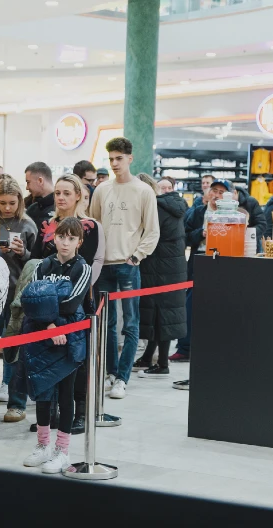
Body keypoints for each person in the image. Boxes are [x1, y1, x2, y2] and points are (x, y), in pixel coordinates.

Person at [88, 137, 159, 401]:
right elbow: (93, 224)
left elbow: (152, 232)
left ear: (130, 158)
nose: (115, 163)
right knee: (107, 323)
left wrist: (135, 257)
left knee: (131, 324)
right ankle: (110, 371)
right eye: (111, 159)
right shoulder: (102, 190)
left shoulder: (144, 191)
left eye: (119, 158)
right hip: (103, 265)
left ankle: (122, 378)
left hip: (128, 265)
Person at [34, 174, 104, 433]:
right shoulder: (46, 224)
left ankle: (79, 412)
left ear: (78, 195)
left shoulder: (90, 226)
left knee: (78, 359)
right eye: (58, 193)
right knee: (48, 354)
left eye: (66, 193)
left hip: (77, 300)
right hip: (46, 303)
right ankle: (48, 413)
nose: (61, 197)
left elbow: (93, 262)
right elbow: (37, 259)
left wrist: (79, 290)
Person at [21, 216, 91, 475]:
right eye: (61, 236)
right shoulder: (43, 265)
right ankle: (43, 445)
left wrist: (53, 320)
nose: (65, 242)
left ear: (79, 242)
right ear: (54, 237)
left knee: (66, 392)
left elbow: (73, 304)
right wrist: (50, 326)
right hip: (43, 334)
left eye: (71, 238)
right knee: (42, 391)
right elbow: (31, 300)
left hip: (70, 338)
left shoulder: (82, 268)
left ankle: (62, 450)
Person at [0, 175, 38, 423]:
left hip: (18, 295)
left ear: (19, 201)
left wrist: (23, 253)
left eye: (11, 203)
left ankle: (16, 403)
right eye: (2, 203)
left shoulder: (28, 225)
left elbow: (36, 262)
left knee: (14, 351)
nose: (7, 208)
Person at [133, 175, 187, 378]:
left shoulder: (157, 208)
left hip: (159, 267)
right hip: (170, 267)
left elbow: (146, 236)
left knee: (161, 315)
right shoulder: (171, 205)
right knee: (161, 313)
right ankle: (149, 357)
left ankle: (162, 363)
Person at [171, 178, 228, 370]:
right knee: (189, 304)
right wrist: (200, 234)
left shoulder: (232, 215)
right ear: (208, 193)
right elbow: (184, 236)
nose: (217, 195)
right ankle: (184, 347)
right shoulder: (196, 212)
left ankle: (216, 347)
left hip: (223, 263)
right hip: (198, 260)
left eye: (221, 192)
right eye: (214, 191)